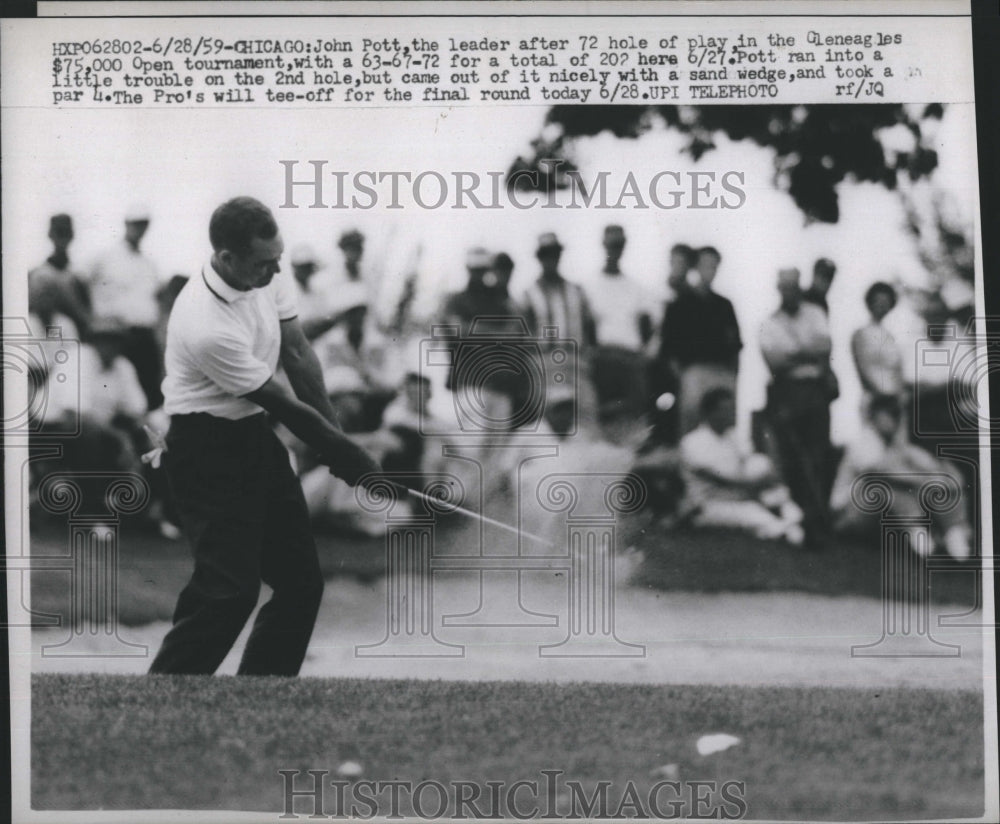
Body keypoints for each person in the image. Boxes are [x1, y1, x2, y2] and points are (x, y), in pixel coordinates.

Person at [149, 196, 381, 676]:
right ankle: (165, 692)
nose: (276, 271)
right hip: (202, 446)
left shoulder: (266, 272)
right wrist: (348, 454)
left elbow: (297, 354)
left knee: (301, 582)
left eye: (278, 258)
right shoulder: (204, 322)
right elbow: (279, 400)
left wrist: (337, 442)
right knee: (228, 592)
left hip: (252, 435)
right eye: (264, 263)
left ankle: (261, 694)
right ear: (227, 258)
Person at [831, 394, 971, 559]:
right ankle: (916, 532)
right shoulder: (863, 440)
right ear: (874, 415)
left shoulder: (897, 444)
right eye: (889, 413)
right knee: (886, 485)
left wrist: (943, 476)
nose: (894, 419)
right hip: (848, 514)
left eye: (897, 414)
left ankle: (953, 532)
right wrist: (931, 480)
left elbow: (935, 467)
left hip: (878, 515)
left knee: (937, 485)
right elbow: (883, 472)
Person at [759, 267, 835, 540]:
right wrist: (806, 353)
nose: (789, 292)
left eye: (794, 286)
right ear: (779, 289)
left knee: (818, 453)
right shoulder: (770, 322)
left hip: (814, 390)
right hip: (788, 391)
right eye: (785, 287)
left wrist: (794, 354)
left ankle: (819, 517)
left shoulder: (814, 313)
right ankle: (799, 518)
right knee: (791, 453)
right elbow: (775, 363)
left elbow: (824, 347)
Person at [679, 388, 804, 545]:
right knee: (754, 514)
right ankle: (790, 531)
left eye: (733, 408)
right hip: (711, 503)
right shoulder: (692, 442)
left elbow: (754, 464)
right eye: (726, 409)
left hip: (741, 493)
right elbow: (720, 479)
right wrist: (754, 486)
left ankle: (792, 524)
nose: (732, 413)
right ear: (710, 413)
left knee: (764, 469)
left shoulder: (733, 435)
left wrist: (763, 479)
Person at [86, 206, 164, 410]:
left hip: (145, 336)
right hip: (115, 336)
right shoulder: (104, 256)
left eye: (143, 224)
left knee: (149, 397)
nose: (139, 229)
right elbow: (78, 282)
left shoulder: (150, 264)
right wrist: (86, 319)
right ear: (126, 224)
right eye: (135, 223)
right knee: (115, 394)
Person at [658, 246, 742, 435]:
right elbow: (668, 348)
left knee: (726, 428)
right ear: (696, 267)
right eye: (705, 265)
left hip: (722, 374)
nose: (710, 271)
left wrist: (733, 378)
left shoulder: (724, 305)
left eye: (713, 266)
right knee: (691, 427)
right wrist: (683, 378)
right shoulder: (679, 304)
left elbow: (736, 346)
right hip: (693, 375)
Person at [520, 232, 598, 425]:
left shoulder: (576, 291)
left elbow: (590, 327)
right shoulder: (529, 294)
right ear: (539, 258)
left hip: (574, 361)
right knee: (548, 417)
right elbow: (521, 333)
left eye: (554, 254)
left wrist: (588, 355)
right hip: (543, 362)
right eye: (545, 255)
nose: (550, 259)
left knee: (585, 414)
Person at [587, 225, 655, 423]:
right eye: (611, 244)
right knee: (603, 414)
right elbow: (586, 326)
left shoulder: (636, 288)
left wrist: (642, 355)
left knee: (634, 415)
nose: (614, 249)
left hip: (630, 359)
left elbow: (647, 326)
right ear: (603, 244)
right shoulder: (589, 286)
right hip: (602, 358)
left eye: (619, 245)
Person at [28, 213, 92, 336]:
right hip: (42, 334)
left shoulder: (79, 276)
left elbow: (86, 315)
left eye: (66, 233)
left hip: (72, 337)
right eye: (59, 232)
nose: (62, 238)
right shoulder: (37, 275)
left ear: (72, 235)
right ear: (50, 234)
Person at [851, 281, 905, 417]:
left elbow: (898, 370)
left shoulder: (890, 336)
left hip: (895, 400)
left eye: (886, 301)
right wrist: (880, 397)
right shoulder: (861, 333)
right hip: (874, 399)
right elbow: (861, 368)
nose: (882, 305)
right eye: (878, 300)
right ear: (870, 302)